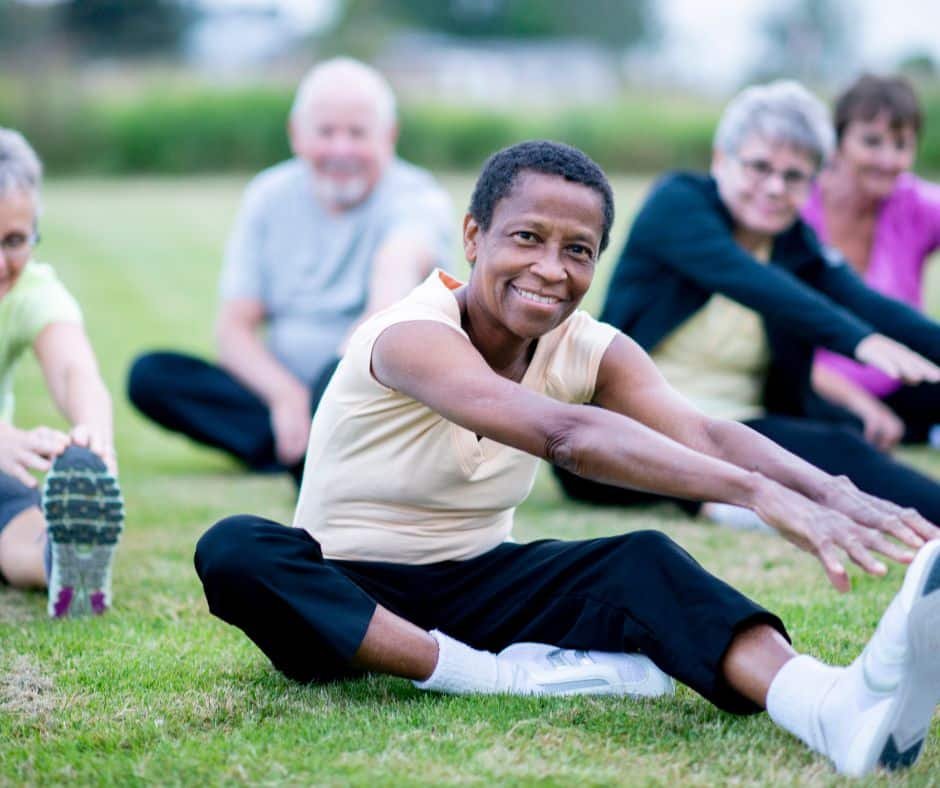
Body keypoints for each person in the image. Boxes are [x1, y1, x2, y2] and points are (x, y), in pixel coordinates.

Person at [195, 141, 940, 777]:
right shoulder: (409, 334)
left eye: (577, 250)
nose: (551, 269)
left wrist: (828, 489)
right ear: (473, 236)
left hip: (477, 581)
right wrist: (752, 493)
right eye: (527, 238)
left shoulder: (591, 346)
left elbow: (703, 433)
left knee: (642, 560)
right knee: (235, 547)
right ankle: (491, 677)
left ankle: (828, 705)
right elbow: (564, 437)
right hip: (344, 600)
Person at [556, 80, 940, 527]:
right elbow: (753, 282)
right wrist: (858, 341)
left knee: (843, 432)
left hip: (742, 422)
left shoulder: (794, 243)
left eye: (794, 176)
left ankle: (725, 496)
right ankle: (719, 497)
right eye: (759, 167)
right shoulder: (678, 205)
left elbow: (866, 301)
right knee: (841, 452)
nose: (775, 188)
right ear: (722, 160)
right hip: (635, 423)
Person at [127, 58, 453, 482]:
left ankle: (313, 446)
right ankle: (306, 446)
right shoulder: (267, 196)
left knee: (360, 396)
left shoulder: (417, 197)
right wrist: (286, 397)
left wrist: (329, 391)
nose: (341, 149)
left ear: (388, 136)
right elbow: (233, 330)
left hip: (367, 385)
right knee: (153, 375)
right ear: (296, 134)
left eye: (357, 133)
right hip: (281, 390)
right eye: (325, 132)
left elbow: (389, 296)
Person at [0, 128, 123, 617]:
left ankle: (58, 561)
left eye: (13, 241)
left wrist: (95, 439)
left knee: (16, 508)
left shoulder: (30, 288)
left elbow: (75, 370)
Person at [801, 74, 940, 451]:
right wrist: (862, 405)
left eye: (901, 144)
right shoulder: (796, 209)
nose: (888, 159)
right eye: (871, 141)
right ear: (837, 141)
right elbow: (778, 350)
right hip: (815, 391)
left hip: (904, 382)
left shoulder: (915, 204)